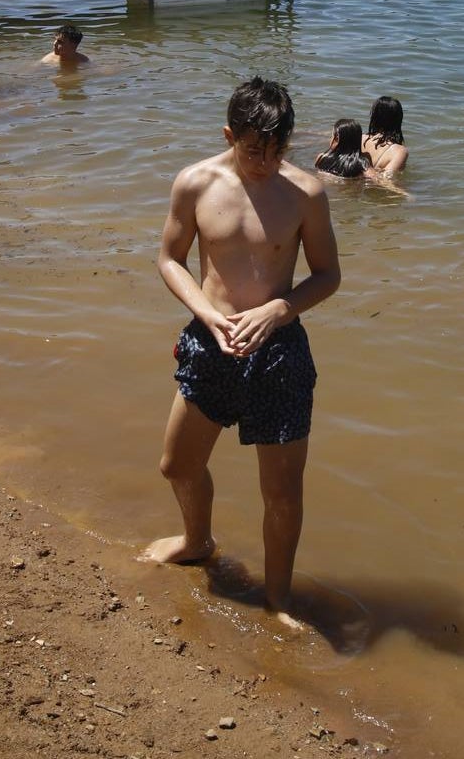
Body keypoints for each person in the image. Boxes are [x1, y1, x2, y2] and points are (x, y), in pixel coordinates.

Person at [144, 77, 341, 624]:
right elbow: (169, 259)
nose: (265, 161)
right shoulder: (195, 183)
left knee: (281, 492)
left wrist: (280, 309)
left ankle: (278, 598)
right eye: (254, 149)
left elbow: (327, 276)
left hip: (279, 354)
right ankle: (197, 541)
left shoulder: (305, 193)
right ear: (230, 135)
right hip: (209, 344)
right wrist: (205, 314)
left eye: (278, 149)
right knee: (176, 465)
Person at [363, 96, 409, 175]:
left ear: (374, 117)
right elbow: (386, 179)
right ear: (398, 119)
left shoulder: (360, 138)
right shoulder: (399, 151)